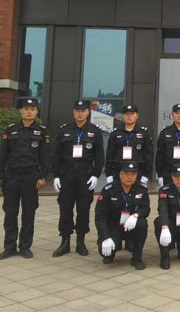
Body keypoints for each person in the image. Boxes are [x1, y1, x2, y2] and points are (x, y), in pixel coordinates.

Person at [0, 98, 50, 259]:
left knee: (28, 214)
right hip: (12, 177)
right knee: (10, 213)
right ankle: (9, 247)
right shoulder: (11, 130)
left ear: (36, 112)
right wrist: (1, 175)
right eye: (26, 109)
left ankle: (25, 246)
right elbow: (3, 155)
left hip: (30, 177)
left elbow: (44, 156)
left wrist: (43, 176)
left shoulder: (41, 131)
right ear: (21, 111)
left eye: (32, 109)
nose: (29, 112)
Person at [51, 99, 105, 257]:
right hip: (66, 175)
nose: (80, 113)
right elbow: (57, 154)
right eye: (77, 110)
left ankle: (81, 242)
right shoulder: (64, 130)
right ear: (74, 112)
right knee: (65, 209)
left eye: (83, 110)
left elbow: (99, 156)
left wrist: (96, 175)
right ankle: (65, 242)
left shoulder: (95, 131)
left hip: (85, 176)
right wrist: (56, 176)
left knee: (83, 210)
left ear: (88, 112)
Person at [94, 161, 149, 269]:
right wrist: (105, 237)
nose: (130, 177)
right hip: (113, 227)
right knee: (105, 252)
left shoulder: (141, 189)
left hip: (131, 227)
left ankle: (137, 258)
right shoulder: (109, 190)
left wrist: (136, 215)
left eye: (133, 174)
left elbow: (146, 208)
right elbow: (100, 216)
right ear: (120, 174)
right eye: (126, 173)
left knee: (142, 223)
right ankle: (113, 250)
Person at [104, 104, 153, 188]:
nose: (129, 116)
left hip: (137, 173)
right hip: (118, 172)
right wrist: (108, 174)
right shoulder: (115, 133)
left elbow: (148, 155)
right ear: (123, 116)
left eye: (132, 114)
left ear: (137, 116)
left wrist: (146, 175)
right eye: (126, 114)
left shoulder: (143, 133)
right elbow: (109, 154)